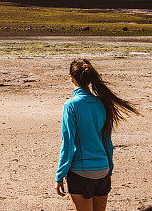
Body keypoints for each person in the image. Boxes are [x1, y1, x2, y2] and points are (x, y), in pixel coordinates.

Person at [55, 58, 139, 211]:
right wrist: (109, 168)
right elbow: (107, 141)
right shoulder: (103, 103)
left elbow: (67, 145)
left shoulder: (71, 106)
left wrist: (59, 176)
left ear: (71, 78)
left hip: (80, 173)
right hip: (103, 170)